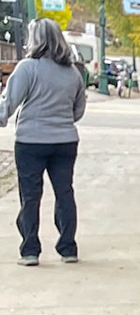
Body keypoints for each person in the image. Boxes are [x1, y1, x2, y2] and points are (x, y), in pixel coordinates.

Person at [2, 18, 87, 265]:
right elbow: (78, 111)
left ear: (35, 39)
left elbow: (9, 104)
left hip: (31, 141)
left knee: (30, 195)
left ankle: (30, 250)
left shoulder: (27, 68)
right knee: (64, 192)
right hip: (65, 141)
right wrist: (60, 120)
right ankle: (68, 247)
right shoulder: (73, 73)